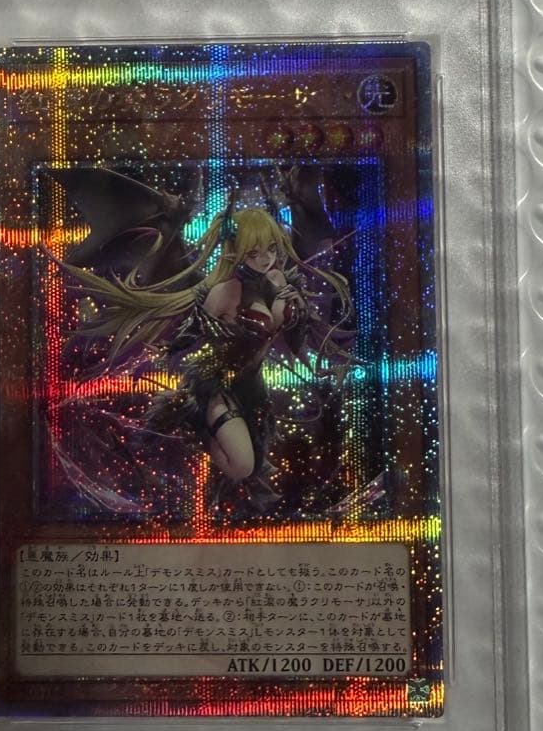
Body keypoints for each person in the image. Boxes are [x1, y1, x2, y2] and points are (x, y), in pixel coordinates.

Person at [60, 203, 353, 515]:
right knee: (242, 465)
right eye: (254, 252)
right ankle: (197, 432)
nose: (265, 259)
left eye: (270, 249)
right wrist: (172, 351)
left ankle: (222, 491)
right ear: (236, 252)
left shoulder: (278, 282)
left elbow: (291, 338)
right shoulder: (224, 292)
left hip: (254, 389)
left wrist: (290, 303)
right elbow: (191, 335)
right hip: (218, 385)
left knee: (255, 470)